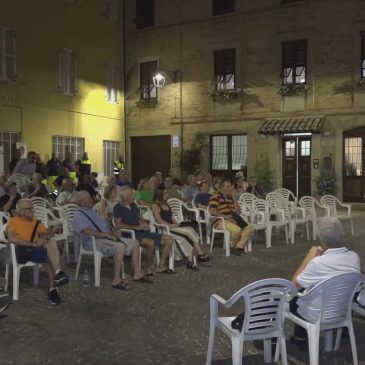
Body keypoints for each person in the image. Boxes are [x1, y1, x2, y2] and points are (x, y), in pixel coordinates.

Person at [290, 217, 361, 346]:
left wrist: (307, 259)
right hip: (342, 309)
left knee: (295, 297)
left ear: (320, 238)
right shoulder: (354, 257)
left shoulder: (317, 263)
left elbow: (293, 285)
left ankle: (300, 339)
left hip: (317, 314)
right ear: (342, 234)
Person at [73, 190, 151, 288]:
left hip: (105, 238)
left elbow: (104, 224)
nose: (92, 200)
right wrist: (106, 235)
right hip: (93, 241)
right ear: (82, 202)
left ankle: (137, 273)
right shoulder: (79, 215)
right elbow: (86, 231)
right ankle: (116, 280)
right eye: (89, 199)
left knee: (135, 243)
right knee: (120, 246)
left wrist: (113, 230)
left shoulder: (92, 211)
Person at [7, 198, 70, 305]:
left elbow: (50, 233)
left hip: (38, 250)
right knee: (53, 255)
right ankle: (54, 287)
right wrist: (33, 244)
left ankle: (58, 274)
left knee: (52, 244)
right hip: (25, 251)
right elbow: (12, 238)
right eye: (30, 209)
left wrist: (44, 236)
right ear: (21, 211)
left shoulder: (35, 222)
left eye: (33, 208)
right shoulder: (13, 221)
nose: (33, 210)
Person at [114, 186, 175, 276]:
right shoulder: (118, 208)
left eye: (133, 194)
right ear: (124, 197)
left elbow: (140, 218)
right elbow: (118, 224)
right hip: (129, 234)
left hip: (141, 232)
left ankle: (160, 266)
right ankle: (148, 269)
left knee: (169, 239)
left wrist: (145, 223)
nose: (134, 196)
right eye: (131, 194)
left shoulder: (134, 206)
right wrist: (136, 227)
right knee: (150, 243)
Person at [152, 189, 211, 271]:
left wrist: (176, 224)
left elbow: (172, 217)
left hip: (173, 227)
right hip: (165, 229)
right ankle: (199, 255)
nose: (167, 194)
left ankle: (191, 260)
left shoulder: (167, 203)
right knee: (189, 232)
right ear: (159, 194)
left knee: (190, 230)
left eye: (167, 192)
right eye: (165, 193)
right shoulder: (155, 205)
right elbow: (159, 220)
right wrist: (170, 226)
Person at [209, 178, 254, 256]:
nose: (231, 188)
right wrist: (225, 217)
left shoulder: (230, 198)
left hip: (233, 219)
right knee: (237, 230)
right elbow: (212, 211)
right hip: (220, 221)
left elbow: (238, 211)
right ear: (222, 187)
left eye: (231, 186)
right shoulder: (215, 196)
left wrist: (234, 198)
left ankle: (238, 246)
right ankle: (233, 245)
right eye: (229, 186)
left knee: (250, 226)